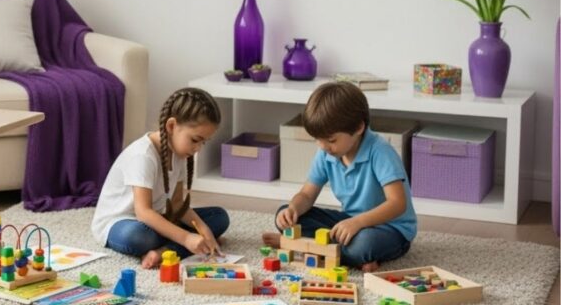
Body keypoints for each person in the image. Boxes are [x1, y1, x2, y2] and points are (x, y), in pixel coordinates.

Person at [262, 81, 416, 272]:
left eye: (331, 140)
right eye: (317, 140)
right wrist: (293, 208)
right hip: (349, 220)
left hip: (390, 229)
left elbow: (397, 204)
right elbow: (307, 195)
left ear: (358, 127)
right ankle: (322, 247)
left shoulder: (381, 152)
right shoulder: (327, 153)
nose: (323, 146)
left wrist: (358, 222)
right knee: (284, 213)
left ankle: (301, 245)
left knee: (363, 245)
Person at [91, 87, 230, 268]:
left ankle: (163, 252)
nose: (198, 148)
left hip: (157, 218)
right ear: (171, 126)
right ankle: (178, 245)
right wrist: (187, 237)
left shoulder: (180, 153)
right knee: (140, 237)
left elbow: (178, 204)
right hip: (121, 223)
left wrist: (203, 230)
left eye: (204, 142)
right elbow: (143, 212)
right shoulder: (143, 156)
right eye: (195, 140)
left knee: (219, 217)